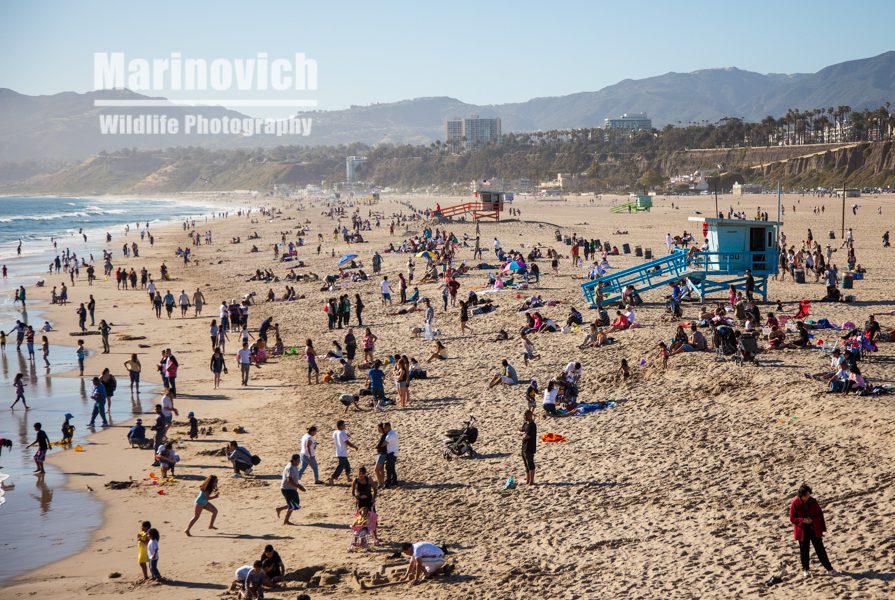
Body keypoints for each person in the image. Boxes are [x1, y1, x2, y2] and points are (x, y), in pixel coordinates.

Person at [789, 484, 836, 578]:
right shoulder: (795, 503)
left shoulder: (813, 501)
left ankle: (829, 569)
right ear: (801, 495)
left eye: (809, 494)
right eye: (807, 495)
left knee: (820, 550)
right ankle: (805, 569)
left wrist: (814, 521)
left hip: (814, 528)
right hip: (802, 530)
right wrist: (802, 520)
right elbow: (792, 518)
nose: (808, 496)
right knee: (804, 551)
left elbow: (819, 514)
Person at [276, 454, 306, 525]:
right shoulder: (290, 468)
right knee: (293, 505)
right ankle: (286, 521)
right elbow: (289, 480)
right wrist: (299, 486)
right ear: (294, 460)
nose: (299, 462)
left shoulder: (294, 466)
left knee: (295, 504)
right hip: (287, 489)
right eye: (298, 461)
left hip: (292, 488)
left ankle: (279, 509)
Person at [328, 420, 358, 485]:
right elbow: (347, 442)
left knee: (347, 465)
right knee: (341, 466)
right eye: (344, 425)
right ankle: (332, 478)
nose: (345, 426)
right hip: (342, 452)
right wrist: (354, 447)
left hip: (339, 451)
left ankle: (348, 477)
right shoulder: (342, 433)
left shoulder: (335, 432)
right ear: (341, 426)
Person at [520, 409, 537, 485]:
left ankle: (532, 481)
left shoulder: (532, 425)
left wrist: (522, 435)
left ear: (530, 416)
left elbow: (527, 436)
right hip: (524, 446)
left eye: (526, 415)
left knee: (530, 463)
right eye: (524, 415)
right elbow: (519, 431)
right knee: (526, 464)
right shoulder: (525, 424)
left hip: (530, 447)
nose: (524, 416)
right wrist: (522, 434)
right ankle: (527, 480)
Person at [383, 422, 399, 488]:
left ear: (388, 427)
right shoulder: (390, 433)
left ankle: (392, 481)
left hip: (392, 453)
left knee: (389, 467)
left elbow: (384, 443)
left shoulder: (391, 435)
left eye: (385, 427)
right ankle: (393, 481)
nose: (384, 429)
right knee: (390, 467)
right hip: (392, 453)